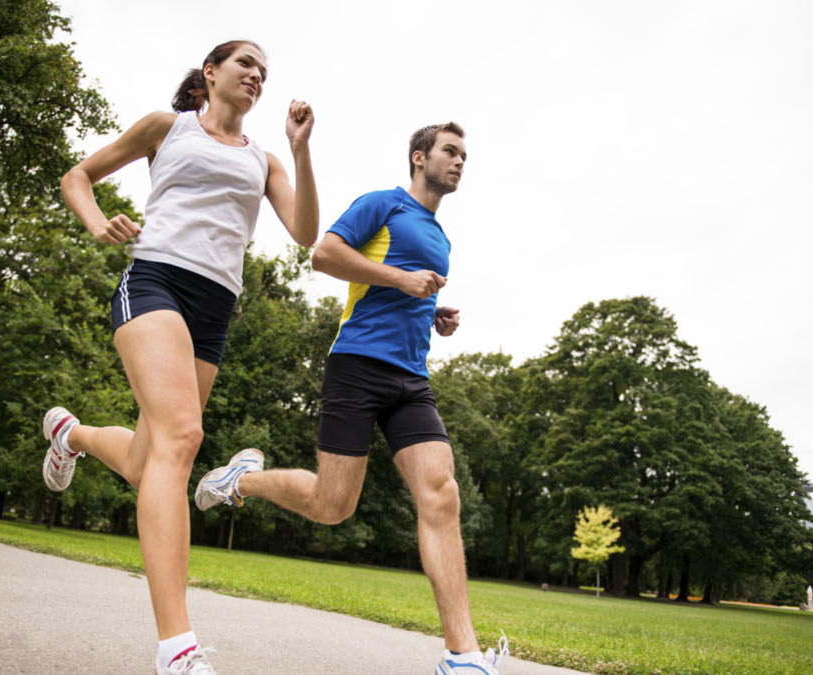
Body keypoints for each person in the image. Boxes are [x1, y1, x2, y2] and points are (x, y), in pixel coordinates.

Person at [42, 40, 318, 675]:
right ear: (211, 72)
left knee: (149, 463)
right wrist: (94, 222)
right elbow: (76, 176)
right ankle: (177, 649)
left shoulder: (265, 158)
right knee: (183, 437)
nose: (256, 74)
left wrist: (300, 151)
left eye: (265, 71)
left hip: (215, 309)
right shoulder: (167, 129)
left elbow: (304, 232)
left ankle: (71, 434)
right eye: (245, 62)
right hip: (157, 281)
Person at [195, 122, 508, 675]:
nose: (460, 161)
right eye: (451, 151)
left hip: (412, 379)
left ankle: (463, 656)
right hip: (357, 367)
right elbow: (324, 255)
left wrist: (432, 314)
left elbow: (401, 291)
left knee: (441, 495)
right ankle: (238, 481)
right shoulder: (381, 204)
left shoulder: (441, 235)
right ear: (419, 157)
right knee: (332, 506)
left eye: (466, 155)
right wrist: (398, 280)